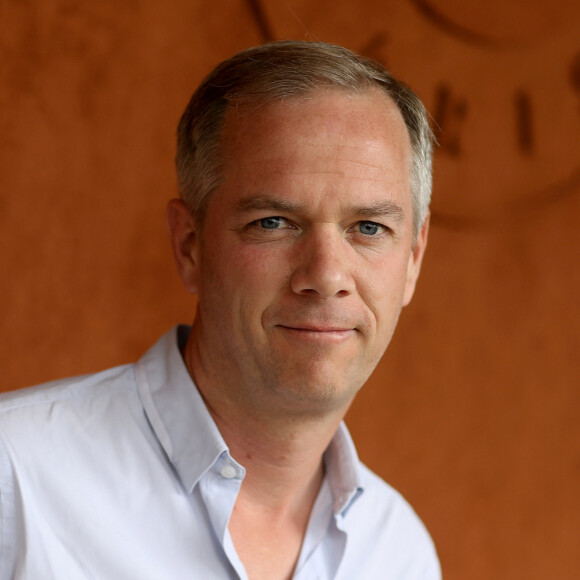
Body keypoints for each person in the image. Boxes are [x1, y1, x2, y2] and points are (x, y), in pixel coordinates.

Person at [0, 41, 440, 579]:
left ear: (412, 260)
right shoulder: (15, 477)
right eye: (273, 222)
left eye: (369, 228)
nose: (326, 275)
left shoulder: (398, 552)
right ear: (190, 246)